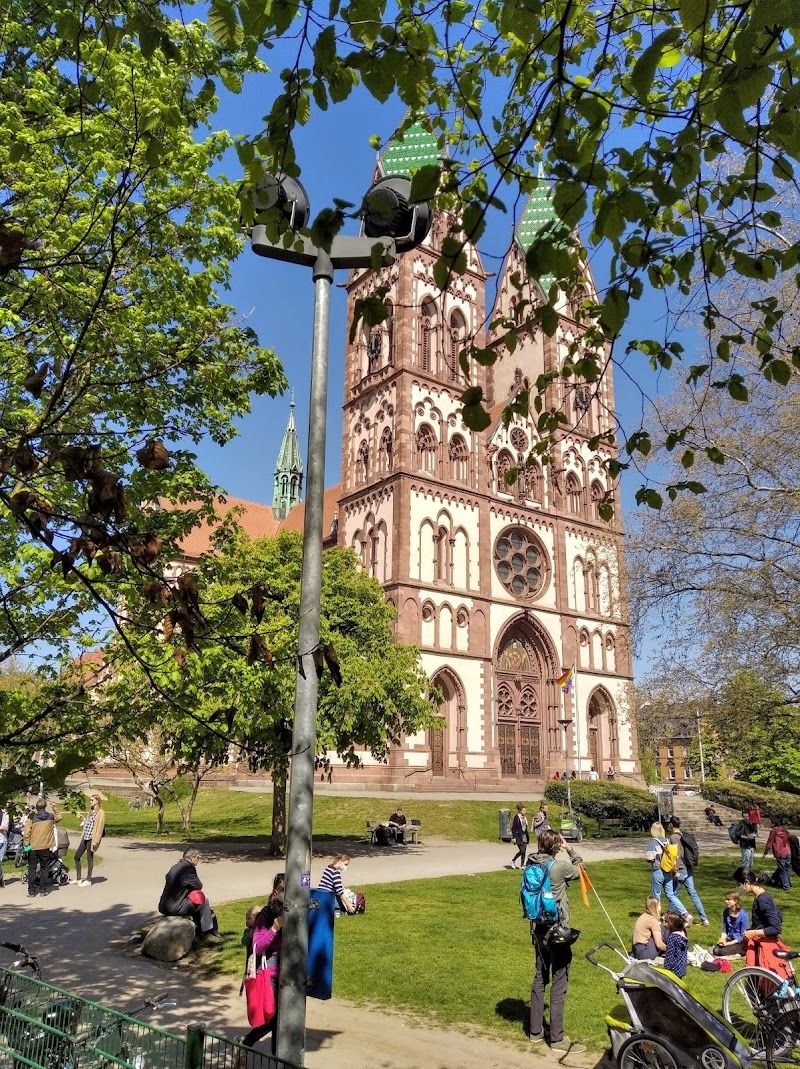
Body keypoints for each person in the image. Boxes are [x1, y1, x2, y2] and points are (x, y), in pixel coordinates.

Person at [528, 829, 586, 1055]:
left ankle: (535, 1032)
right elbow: (581, 869)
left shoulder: (531, 864)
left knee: (540, 977)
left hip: (538, 930)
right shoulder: (559, 867)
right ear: (556, 846)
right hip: (557, 931)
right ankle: (557, 1038)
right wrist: (569, 848)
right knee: (559, 981)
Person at [242, 895, 284, 1051]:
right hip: (269, 974)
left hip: (284, 974)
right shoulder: (257, 928)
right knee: (272, 1017)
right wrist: (274, 928)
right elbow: (257, 945)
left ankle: (276, 1055)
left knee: (279, 1018)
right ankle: (246, 1043)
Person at [732, 866, 789, 975]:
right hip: (759, 944)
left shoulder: (763, 900)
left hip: (766, 947)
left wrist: (753, 932)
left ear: (746, 882)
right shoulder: (760, 896)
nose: (737, 888)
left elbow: (775, 928)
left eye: (738, 885)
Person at [158, 847, 221, 939]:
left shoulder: (175, 867)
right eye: (198, 858)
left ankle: (198, 927)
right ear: (192, 857)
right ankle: (207, 930)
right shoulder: (188, 869)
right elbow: (199, 885)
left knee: (193, 901)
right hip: (175, 908)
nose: (199, 860)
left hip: (163, 906)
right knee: (204, 901)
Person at [664, 816, 709, 925]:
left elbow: (676, 855)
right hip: (688, 868)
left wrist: (675, 870)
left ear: (671, 825)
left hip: (681, 869)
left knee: (673, 894)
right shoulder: (684, 835)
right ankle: (704, 919)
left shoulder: (674, 837)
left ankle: (673, 917)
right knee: (693, 894)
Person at [22, 797, 60, 897]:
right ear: (45, 807)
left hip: (33, 847)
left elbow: (26, 833)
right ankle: (43, 890)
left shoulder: (31, 817)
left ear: (36, 807)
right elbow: (60, 817)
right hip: (45, 846)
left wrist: (26, 845)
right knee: (44, 868)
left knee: (32, 869)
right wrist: (54, 807)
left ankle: (31, 891)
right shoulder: (50, 817)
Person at [72, 792, 105, 886]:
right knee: (76, 857)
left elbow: (99, 827)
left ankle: (88, 880)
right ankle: (78, 879)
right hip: (85, 836)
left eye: (92, 800)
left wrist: (96, 841)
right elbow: (89, 823)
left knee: (89, 858)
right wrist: (84, 819)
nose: (90, 801)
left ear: (97, 801)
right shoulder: (91, 811)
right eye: (90, 800)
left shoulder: (101, 813)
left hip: (92, 838)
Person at [712, 891, 749, 957]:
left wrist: (728, 943)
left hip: (739, 942)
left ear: (735, 901)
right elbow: (724, 929)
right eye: (726, 899)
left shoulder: (743, 915)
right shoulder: (726, 911)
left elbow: (743, 936)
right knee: (715, 950)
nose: (726, 901)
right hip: (729, 938)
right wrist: (722, 940)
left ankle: (741, 952)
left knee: (719, 951)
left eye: (728, 900)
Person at [631, 896, 666, 961]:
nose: (661, 908)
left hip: (635, 951)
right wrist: (671, 951)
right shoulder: (652, 920)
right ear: (655, 907)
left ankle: (664, 952)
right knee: (665, 927)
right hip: (644, 953)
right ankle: (671, 950)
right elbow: (659, 944)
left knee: (661, 926)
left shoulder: (643, 915)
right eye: (659, 906)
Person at [764, 818, 792, 890]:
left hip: (780, 853)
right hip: (788, 852)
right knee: (787, 869)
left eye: (771, 822)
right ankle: (787, 883)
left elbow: (769, 842)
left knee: (782, 869)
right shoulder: (785, 831)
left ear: (774, 823)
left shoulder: (774, 831)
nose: (770, 824)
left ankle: (786, 886)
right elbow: (791, 838)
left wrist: (765, 853)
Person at [644, 821, 669, 900]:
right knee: (670, 893)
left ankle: (656, 911)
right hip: (668, 868)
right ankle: (672, 911)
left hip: (658, 869)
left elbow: (650, 858)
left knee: (656, 894)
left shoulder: (653, 842)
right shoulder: (667, 841)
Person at [662, 912, 688, 978]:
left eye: (665, 921)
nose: (663, 922)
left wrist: (666, 969)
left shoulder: (672, 938)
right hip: (681, 968)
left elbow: (669, 954)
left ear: (672, 924)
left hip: (673, 970)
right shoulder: (682, 934)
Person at [510, 804, 529, 869]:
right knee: (522, 850)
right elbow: (513, 828)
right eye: (523, 811)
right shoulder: (517, 817)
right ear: (520, 811)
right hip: (518, 836)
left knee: (524, 851)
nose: (525, 812)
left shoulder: (525, 817)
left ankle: (522, 865)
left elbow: (525, 827)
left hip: (524, 836)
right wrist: (514, 837)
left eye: (525, 810)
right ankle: (513, 860)